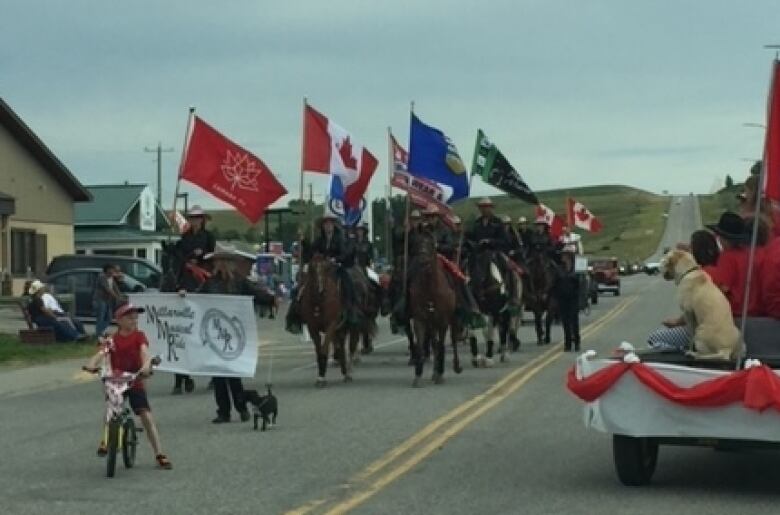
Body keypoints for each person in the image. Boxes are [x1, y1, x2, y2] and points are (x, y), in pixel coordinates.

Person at [83, 303, 172, 469]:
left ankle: (159, 453)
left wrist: (146, 366)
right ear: (119, 320)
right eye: (129, 317)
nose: (134, 319)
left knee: (145, 415)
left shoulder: (139, 336)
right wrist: (91, 364)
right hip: (116, 380)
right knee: (111, 407)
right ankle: (105, 440)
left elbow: (144, 352)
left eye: (135, 317)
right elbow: (101, 353)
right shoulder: (112, 339)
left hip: (134, 379)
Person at [201, 250, 262, 424]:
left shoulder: (239, 282)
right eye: (217, 262)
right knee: (218, 376)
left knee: (234, 375)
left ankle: (241, 408)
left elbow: (255, 293)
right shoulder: (210, 283)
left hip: (235, 333)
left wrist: (270, 299)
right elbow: (195, 298)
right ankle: (223, 412)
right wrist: (182, 295)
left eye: (223, 261)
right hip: (216, 333)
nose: (219, 265)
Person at [171, 205, 215, 394]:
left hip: (203, 271)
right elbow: (178, 255)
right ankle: (181, 377)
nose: (195, 220)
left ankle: (216, 373)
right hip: (185, 273)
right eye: (192, 217)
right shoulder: (184, 237)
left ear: (203, 219)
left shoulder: (208, 237)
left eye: (198, 218)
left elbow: (212, 254)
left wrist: (201, 257)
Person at [553, 250, 580, 352]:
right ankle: (567, 343)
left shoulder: (576, 269)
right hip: (562, 298)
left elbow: (579, 284)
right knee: (565, 322)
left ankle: (577, 341)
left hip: (573, 298)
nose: (562, 258)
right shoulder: (559, 269)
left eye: (564, 256)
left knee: (574, 321)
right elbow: (555, 283)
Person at [93, 263, 123, 338]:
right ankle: (99, 334)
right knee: (101, 317)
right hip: (100, 299)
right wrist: (117, 297)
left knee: (109, 318)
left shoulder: (111, 278)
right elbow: (108, 289)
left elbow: (115, 288)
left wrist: (120, 296)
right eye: (112, 269)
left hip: (107, 300)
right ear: (107, 270)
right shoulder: (102, 277)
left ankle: (100, 331)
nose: (113, 271)